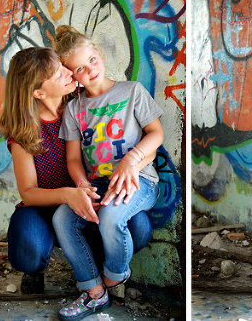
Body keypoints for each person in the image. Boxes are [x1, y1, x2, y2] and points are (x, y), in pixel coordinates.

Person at [0, 47, 153, 297]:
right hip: (44, 207)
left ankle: (97, 271)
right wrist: (68, 194)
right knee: (28, 250)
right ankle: (36, 269)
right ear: (39, 92)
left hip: (90, 199)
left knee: (138, 227)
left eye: (63, 66)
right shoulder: (25, 132)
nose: (68, 72)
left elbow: (140, 141)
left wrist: (134, 160)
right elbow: (28, 193)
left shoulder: (84, 104)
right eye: (58, 73)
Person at [53, 25, 163, 321]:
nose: (89, 70)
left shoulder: (132, 91)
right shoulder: (74, 109)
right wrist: (80, 186)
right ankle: (94, 291)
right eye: (79, 68)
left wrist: (132, 159)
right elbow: (74, 159)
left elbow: (156, 134)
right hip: (98, 183)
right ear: (72, 77)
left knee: (112, 217)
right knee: (62, 218)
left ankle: (114, 277)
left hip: (141, 180)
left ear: (99, 54)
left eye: (91, 60)